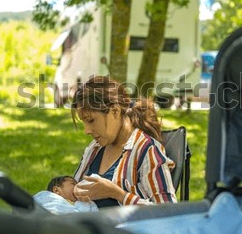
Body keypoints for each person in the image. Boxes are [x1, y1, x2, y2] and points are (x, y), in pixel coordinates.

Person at [71, 75, 177, 207]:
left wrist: (118, 194)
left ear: (115, 111)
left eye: (91, 120)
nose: (87, 130)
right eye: (84, 122)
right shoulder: (95, 149)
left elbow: (167, 211)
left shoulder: (147, 151)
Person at [33, 175, 98, 214]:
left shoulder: (80, 203)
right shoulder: (50, 200)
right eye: (73, 184)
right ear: (56, 190)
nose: (77, 186)